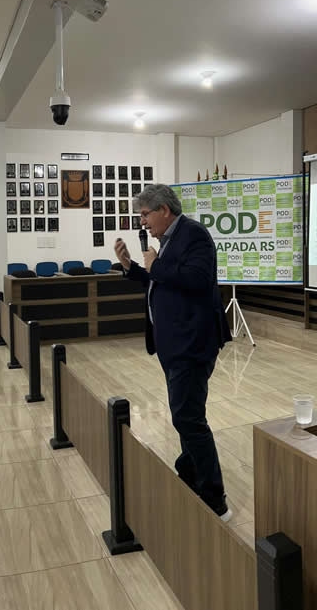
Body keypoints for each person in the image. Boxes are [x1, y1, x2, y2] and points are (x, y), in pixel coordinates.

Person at [114, 183, 233, 520]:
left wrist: (155, 266)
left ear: (164, 210)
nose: (143, 222)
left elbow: (198, 279)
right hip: (173, 343)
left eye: (145, 214)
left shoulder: (194, 235)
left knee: (188, 417)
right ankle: (190, 473)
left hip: (192, 344)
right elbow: (161, 281)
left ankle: (215, 497)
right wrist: (129, 266)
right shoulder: (167, 240)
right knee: (185, 412)